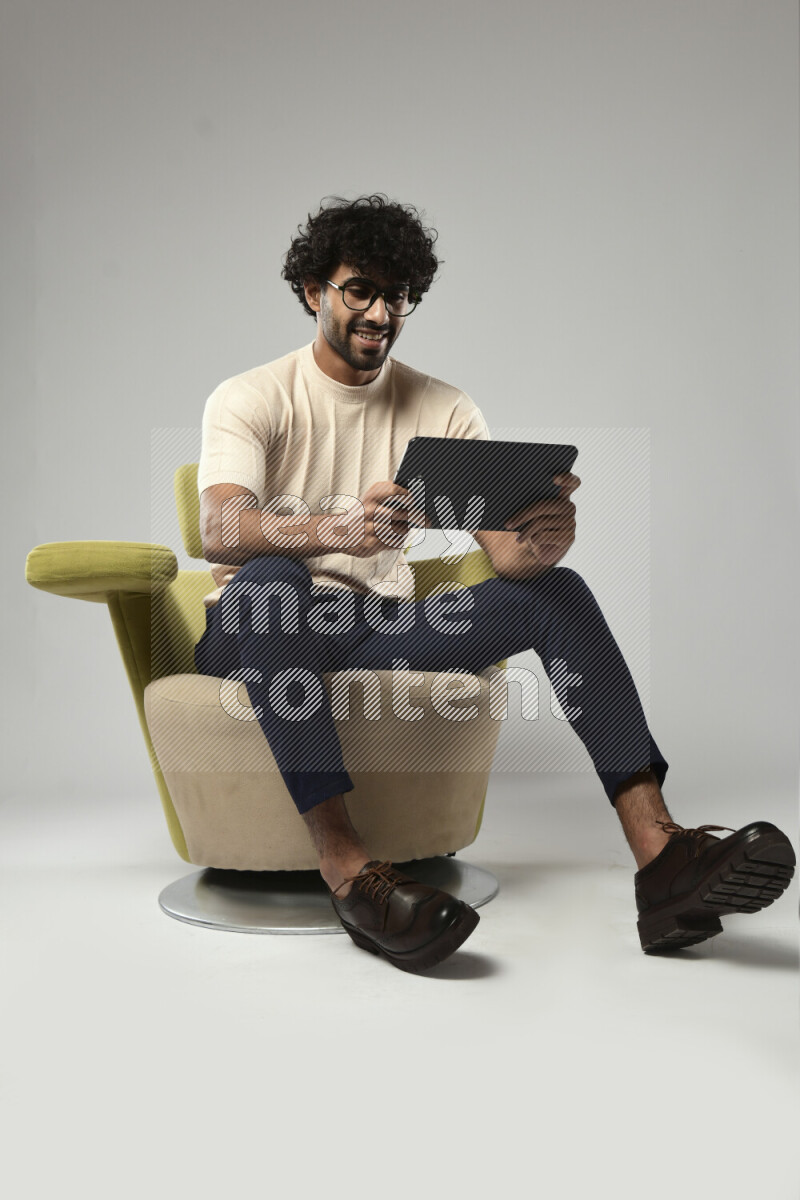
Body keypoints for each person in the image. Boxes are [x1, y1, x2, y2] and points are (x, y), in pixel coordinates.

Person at [193, 194, 795, 973]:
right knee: (270, 581)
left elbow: (502, 558)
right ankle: (350, 870)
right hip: (257, 627)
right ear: (314, 291)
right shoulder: (252, 397)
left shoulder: (442, 405)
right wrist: (337, 528)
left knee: (561, 593)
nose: (381, 312)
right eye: (359, 290)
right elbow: (219, 529)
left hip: (373, 623)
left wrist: (539, 542)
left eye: (398, 296)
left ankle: (662, 860)